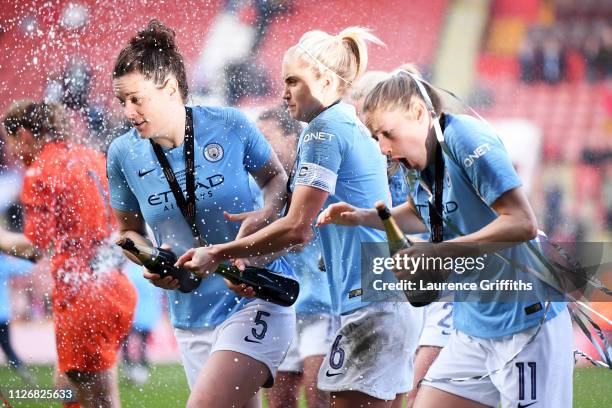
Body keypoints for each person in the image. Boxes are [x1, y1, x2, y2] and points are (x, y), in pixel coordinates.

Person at [177, 27, 424, 407]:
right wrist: (253, 256)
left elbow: (296, 229)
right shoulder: (344, 124)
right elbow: (303, 229)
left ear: (325, 81)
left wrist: (220, 253)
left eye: (293, 81)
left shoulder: (323, 132)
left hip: (371, 304)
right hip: (385, 300)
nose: (283, 92)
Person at [317, 68, 572, 408]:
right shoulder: (418, 162)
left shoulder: (465, 138)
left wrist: (437, 253)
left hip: (525, 323)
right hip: (474, 326)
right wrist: (362, 217)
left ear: (418, 113)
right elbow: (421, 211)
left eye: (386, 134)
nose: (383, 148)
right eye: (376, 138)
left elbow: (522, 223)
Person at [107, 20, 295, 408]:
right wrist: (147, 259)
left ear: (171, 88)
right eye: (122, 101)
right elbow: (126, 232)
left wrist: (260, 218)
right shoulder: (123, 154)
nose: (128, 111)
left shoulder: (229, 124)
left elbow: (277, 180)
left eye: (136, 99)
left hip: (254, 295)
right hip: (191, 314)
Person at [0, 100, 137, 408]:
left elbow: (34, 248)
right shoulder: (92, 157)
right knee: (67, 387)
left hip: (85, 297)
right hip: (113, 287)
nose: (13, 154)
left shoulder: (41, 168)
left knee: (98, 401)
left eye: (10, 144)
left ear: (23, 134)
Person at [256, 106, 333, 408]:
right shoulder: (262, 184)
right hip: (282, 306)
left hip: (323, 304)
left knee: (319, 398)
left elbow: (300, 237)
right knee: (279, 402)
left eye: (266, 138)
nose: (260, 149)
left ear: (293, 138)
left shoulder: (316, 177)